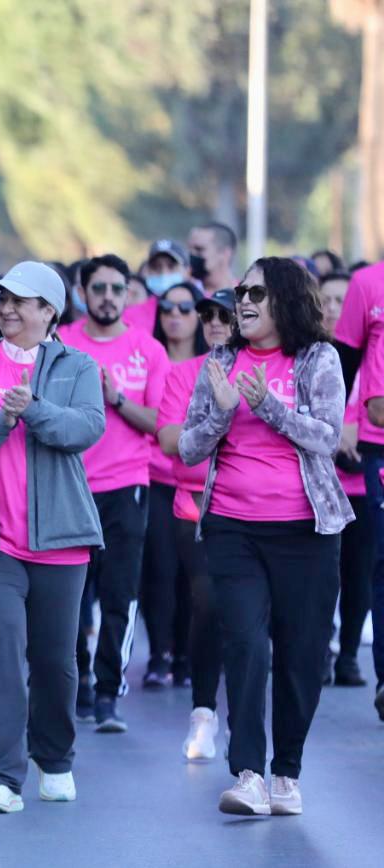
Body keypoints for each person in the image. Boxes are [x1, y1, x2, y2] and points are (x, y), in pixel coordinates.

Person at [180, 256, 351, 817]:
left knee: (302, 654)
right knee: (246, 645)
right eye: (240, 292)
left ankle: (286, 774)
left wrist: (267, 407)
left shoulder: (318, 358)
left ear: (285, 298)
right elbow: (189, 447)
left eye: (256, 292)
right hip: (233, 528)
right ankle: (249, 773)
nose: (244, 302)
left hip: (307, 531)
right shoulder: (220, 361)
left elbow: (327, 437)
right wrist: (224, 413)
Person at [0, 261, 104, 813]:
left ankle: (54, 759)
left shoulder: (79, 365)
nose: (5, 308)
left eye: (19, 301)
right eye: (1, 299)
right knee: (0, 649)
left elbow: (86, 427)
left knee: (54, 659)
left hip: (61, 538)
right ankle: (1, 778)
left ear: (49, 311)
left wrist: (32, 410)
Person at [57, 255, 170, 732]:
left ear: (128, 294)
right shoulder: (60, 345)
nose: (108, 297)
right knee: (68, 596)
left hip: (127, 487)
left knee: (119, 595)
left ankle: (107, 693)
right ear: (82, 293)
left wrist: (117, 398)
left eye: (117, 289)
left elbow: (162, 423)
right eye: (99, 288)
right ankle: (78, 680)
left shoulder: (149, 350)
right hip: (69, 486)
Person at [156, 288, 236, 760]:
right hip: (195, 506)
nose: (214, 323)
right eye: (207, 316)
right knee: (207, 602)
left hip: (255, 509)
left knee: (246, 616)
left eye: (225, 315)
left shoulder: (261, 371)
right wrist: (222, 426)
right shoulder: (184, 374)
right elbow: (169, 439)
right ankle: (203, 714)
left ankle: (242, 718)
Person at [140, 283, 208, 689]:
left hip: (199, 483)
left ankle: (186, 654)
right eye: (167, 307)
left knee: (192, 575)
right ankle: (158, 654)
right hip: (154, 477)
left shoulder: (210, 364)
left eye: (185, 307)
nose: (175, 315)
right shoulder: (149, 356)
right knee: (159, 570)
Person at [331, 259, 384, 719]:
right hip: (376, 448)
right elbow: (344, 370)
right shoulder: (368, 284)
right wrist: (334, 429)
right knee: (375, 562)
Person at [319, 271, 373, 687]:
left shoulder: (373, 358)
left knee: (360, 575)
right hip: (319, 486)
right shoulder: (309, 355)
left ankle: (350, 654)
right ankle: (320, 650)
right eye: (327, 300)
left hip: (364, 485)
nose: (334, 309)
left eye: (342, 300)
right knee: (322, 577)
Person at [126, 239, 191, 332]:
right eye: (156, 267)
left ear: (187, 271)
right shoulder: (131, 316)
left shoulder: (201, 309)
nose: (163, 273)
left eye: (171, 266)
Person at [187, 222, 237, 294]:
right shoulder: (185, 294)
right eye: (189, 249)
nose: (192, 254)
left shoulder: (245, 296)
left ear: (225, 253)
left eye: (199, 249)